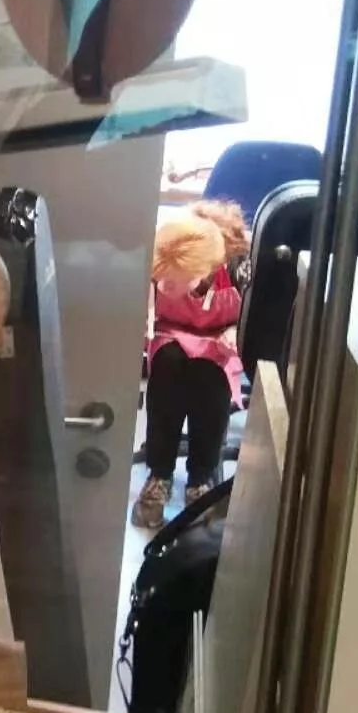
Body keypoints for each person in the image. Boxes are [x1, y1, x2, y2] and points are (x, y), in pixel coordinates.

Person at [133, 204, 249, 530]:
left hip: (219, 338)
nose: (164, 287)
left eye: (173, 282)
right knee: (167, 367)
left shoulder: (240, 267)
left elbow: (257, 320)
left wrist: (234, 332)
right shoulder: (161, 255)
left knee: (211, 376)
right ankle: (159, 474)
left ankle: (202, 477)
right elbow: (146, 312)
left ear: (201, 271)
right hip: (172, 332)